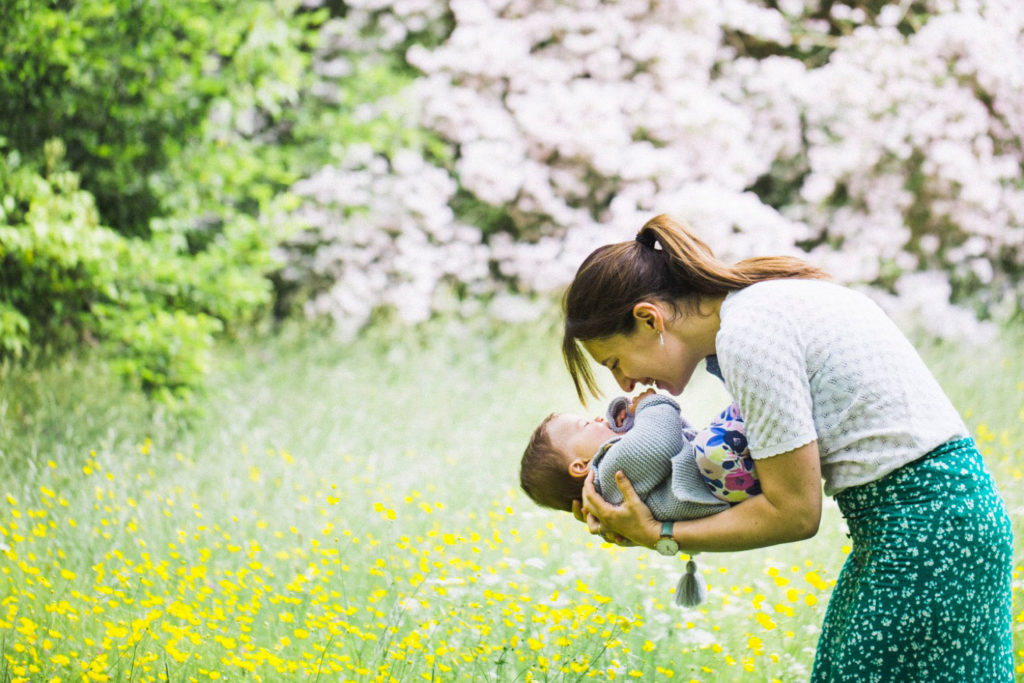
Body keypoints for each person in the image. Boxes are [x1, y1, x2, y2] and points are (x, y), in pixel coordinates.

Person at [560, 214, 1013, 681]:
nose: (624, 383)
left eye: (615, 361)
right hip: (941, 522)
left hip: (925, 534)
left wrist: (658, 533)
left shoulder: (748, 335)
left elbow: (794, 512)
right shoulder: (760, 306)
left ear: (648, 318)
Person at [520, 388, 760, 605]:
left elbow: (668, 435)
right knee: (751, 403)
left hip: (727, 490)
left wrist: (625, 419)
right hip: (728, 472)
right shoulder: (610, 472)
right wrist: (651, 403)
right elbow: (662, 442)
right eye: (584, 424)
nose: (595, 419)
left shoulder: (612, 491)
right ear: (580, 466)